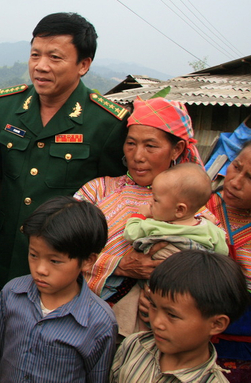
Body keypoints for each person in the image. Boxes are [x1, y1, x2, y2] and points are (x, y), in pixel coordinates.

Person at [0, 12, 128, 314]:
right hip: (3, 260)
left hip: (63, 275)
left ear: (84, 65)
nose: (41, 66)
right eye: (35, 54)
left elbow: (116, 204)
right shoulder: (6, 106)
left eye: (55, 57)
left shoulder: (106, 122)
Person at [74, 97, 203, 337]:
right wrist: (117, 265)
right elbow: (61, 248)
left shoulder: (194, 211)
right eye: (131, 143)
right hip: (79, 320)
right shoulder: (97, 191)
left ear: (177, 149)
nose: (137, 156)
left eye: (150, 146)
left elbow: (206, 278)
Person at [0, 197, 117, 383]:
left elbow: (97, 377)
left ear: (87, 261)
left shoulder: (99, 321)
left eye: (55, 261)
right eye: (34, 255)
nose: (40, 269)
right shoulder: (12, 294)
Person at [111, 250, 249, 383]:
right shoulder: (134, 345)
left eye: (172, 315)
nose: (157, 322)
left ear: (217, 324)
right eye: (153, 306)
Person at [207, 135, 251, 382]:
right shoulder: (198, 206)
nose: (235, 181)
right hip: (185, 346)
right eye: (236, 166)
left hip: (249, 357)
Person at [124, 163, 229, 257]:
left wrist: (140, 215)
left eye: (155, 200)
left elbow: (130, 234)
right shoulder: (211, 229)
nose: (150, 202)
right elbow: (223, 252)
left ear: (179, 210)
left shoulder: (156, 226)